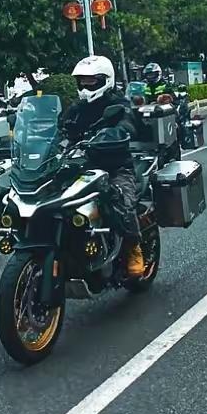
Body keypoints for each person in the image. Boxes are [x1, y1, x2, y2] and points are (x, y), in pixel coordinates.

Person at [60, 55, 145, 278]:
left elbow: (128, 125)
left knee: (120, 201)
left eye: (91, 81)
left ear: (105, 80)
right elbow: (60, 127)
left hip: (115, 168)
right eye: (82, 81)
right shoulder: (77, 108)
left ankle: (133, 247)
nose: (86, 86)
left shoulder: (118, 104)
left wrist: (116, 133)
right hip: (80, 167)